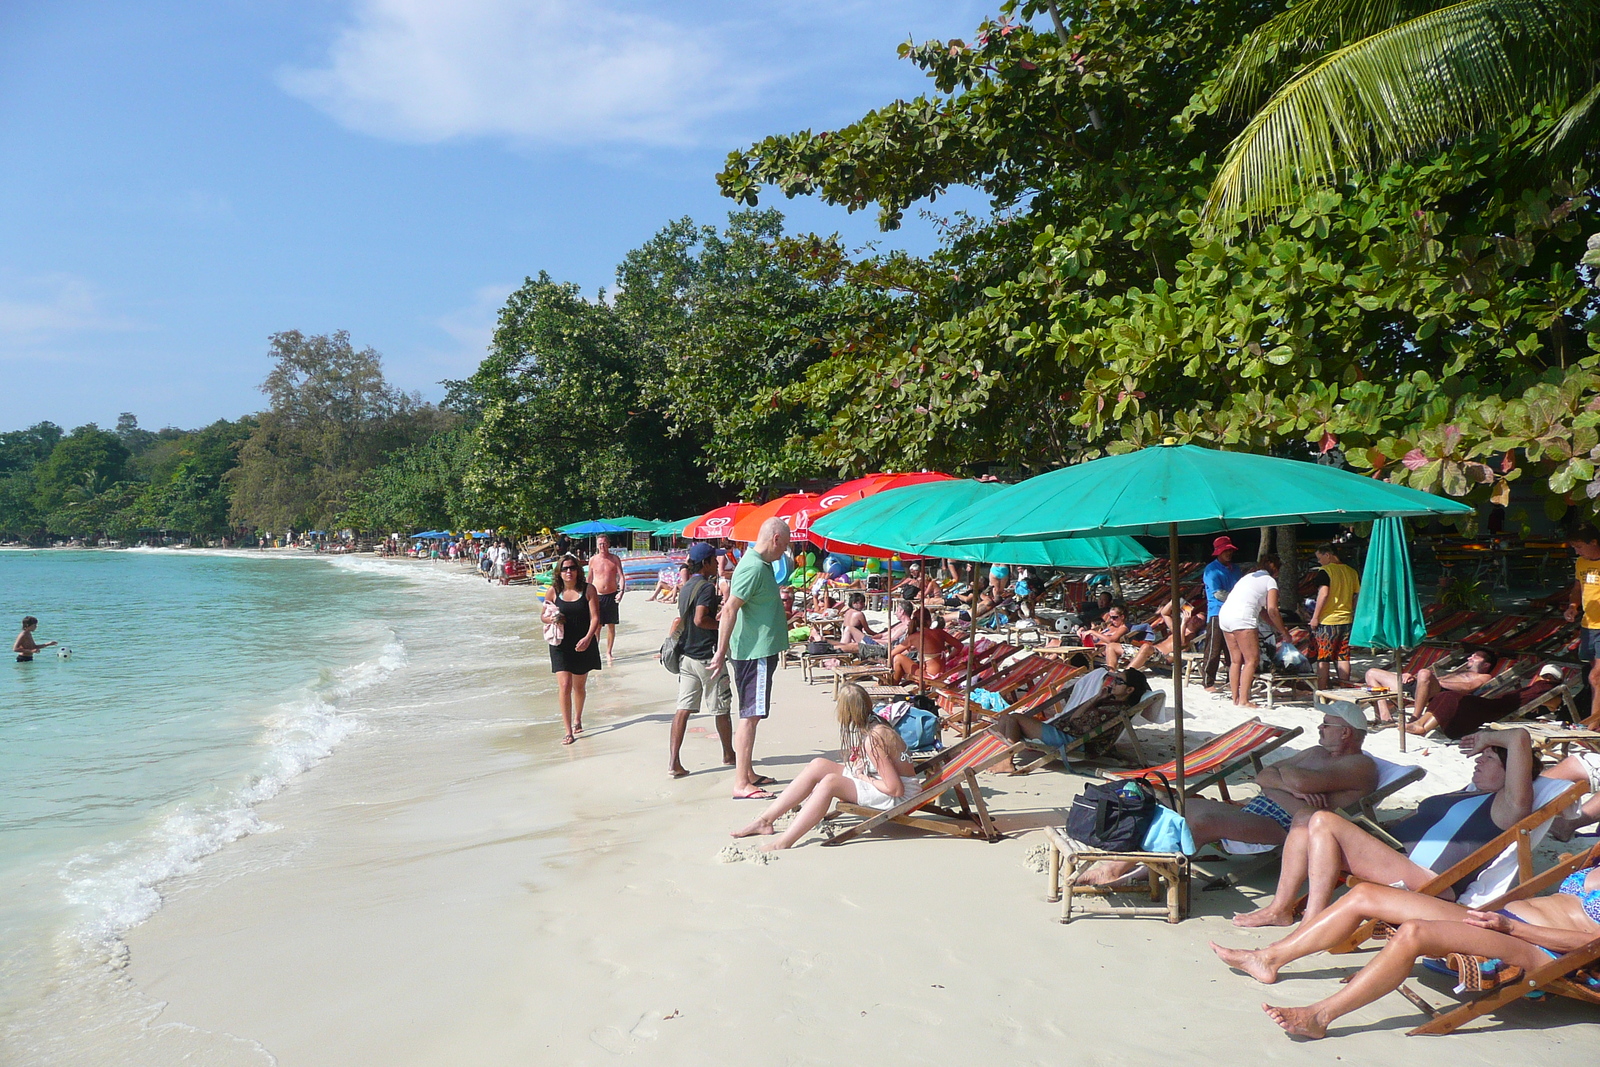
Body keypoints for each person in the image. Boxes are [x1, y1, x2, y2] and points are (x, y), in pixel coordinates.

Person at [1209, 860, 1600, 1039]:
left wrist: (1512, 926)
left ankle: (1319, 1016)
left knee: (1414, 933)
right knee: (1366, 894)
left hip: (1548, 953)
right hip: (1504, 923)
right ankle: (1268, 958)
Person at [1232, 726, 1536, 928]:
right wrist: (1377, 830)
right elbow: (1420, 823)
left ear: (1512, 773)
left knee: (1323, 820)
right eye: (1481, 756)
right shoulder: (1465, 794)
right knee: (1304, 818)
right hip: (1395, 855)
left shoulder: (1506, 807)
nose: (1478, 761)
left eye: (1489, 758)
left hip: (1428, 881)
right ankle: (1281, 909)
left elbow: (1520, 737)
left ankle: (1314, 920)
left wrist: (1488, 737)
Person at [1084, 702, 1379, 885]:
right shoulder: (1316, 752)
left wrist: (1287, 781)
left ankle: (1121, 869)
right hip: (1258, 811)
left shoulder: (1359, 765)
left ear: (1346, 733)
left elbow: (1294, 779)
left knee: (1198, 820)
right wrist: (1290, 785)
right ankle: (1131, 865)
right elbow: (1265, 775)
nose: (1320, 728)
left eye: (1327, 725)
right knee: (1178, 807)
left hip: (1287, 829)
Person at [731, 683, 918, 850]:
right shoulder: (876, 723)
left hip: (900, 797)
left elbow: (895, 789)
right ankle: (764, 821)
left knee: (830, 782)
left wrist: (863, 777)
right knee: (818, 765)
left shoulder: (874, 738)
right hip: (886, 783)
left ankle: (785, 841)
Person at [709, 518, 791, 800]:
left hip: (761, 651)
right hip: (752, 652)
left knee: (752, 715)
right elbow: (730, 608)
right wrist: (720, 653)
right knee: (750, 716)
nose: (785, 552)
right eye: (786, 545)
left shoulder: (762, 564)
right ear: (776, 539)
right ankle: (741, 783)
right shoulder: (753, 566)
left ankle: (749, 772)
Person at [667, 544, 735, 778]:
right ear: (705, 563)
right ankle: (728, 754)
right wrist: (722, 625)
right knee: (721, 709)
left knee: (682, 710)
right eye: (714, 560)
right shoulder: (706, 587)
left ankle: (674, 762)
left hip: (686, 657)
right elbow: (699, 620)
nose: (717, 564)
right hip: (707, 657)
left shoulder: (686, 586)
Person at [990, 668, 1151, 764]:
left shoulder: (1116, 711)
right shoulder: (1108, 700)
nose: (1113, 683)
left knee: (1014, 719)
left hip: (1072, 742)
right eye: (1114, 679)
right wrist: (1096, 698)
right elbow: (1076, 716)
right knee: (1005, 718)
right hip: (1065, 733)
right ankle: (1004, 756)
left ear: (1130, 690)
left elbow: (1075, 721)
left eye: (1119, 681)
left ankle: (1006, 762)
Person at [1407, 663, 1564, 738]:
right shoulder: (1530, 689)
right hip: (1492, 704)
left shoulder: (1547, 690)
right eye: (1544, 676)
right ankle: (1420, 723)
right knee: (1444, 695)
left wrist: (1541, 700)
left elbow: (1554, 704)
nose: (1545, 680)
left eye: (1550, 679)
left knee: (1451, 697)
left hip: (1495, 709)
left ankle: (1423, 727)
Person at [1218, 556, 1293, 709]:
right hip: (1242, 617)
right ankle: (1244, 701)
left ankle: (1235, 698)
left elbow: (1264, 612)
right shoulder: (1270, 581)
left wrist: (1276, 627)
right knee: (1252, 660)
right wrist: (1284, 632)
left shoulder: (1248, 577)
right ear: (1276, 570)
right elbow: (1272, 610)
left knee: (1235, 660)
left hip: (1225, 615)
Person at [545, 554, 601, 745]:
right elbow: (543, 616)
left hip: (582, 643)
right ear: (559, 573)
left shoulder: (588, 590)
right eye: (564, 569)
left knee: (579, 686)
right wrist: (552, 618)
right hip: (560, 644)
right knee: (564, 685)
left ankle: (578, 718)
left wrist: (588, 638)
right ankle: (568, 730)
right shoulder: (553, 592)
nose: (568, 572)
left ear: (578, 570)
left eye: (572, 568)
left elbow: (595, 618)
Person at [1363, 648, 1495, 726]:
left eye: (1475, 657)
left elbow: (1467, 687)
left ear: (1486, 665)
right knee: (1372, 673)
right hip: (1420, 685)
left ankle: (1415, 717)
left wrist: (1436, 681)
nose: (1470, 658)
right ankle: (1385, 716)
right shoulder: (1461, 671)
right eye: (1471, 656)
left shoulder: (1484, 677)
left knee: (1424, 672)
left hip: (1438, 693)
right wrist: (1411, 676)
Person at [1308, 543, 1361, 690]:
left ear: (1328, 555)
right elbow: (1357, 594)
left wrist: (1315, 617)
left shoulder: (1325, 571)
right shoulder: (1351, 571)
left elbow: (1323, 594)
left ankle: (1322, 690)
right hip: (1346, 619)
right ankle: (1344, 688)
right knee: (1343, 656)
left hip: (1328, 620)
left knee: (1323, 658)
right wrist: (1350, 607)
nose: (1319, 561)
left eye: (1320, 558)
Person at [1565, 524, 1600, 726]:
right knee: (1593, 674)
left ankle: (1592, 727)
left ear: (1593, 542)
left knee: (1596, 677)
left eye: (1579, 546)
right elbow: (1578, 588)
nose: (1577, 551)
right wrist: (1573, 605)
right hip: (1589, 625)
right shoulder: (1581, 562)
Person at [1202, 536, 1241, 690]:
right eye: (1226, 550)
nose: (1229, 553)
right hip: (1217, 612)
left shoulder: (1236, 569)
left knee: (1233, 649)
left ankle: (1232, 679)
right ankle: (1207, 681)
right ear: (1219, 552)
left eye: (1230, 550)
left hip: (1234, 612)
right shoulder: (1211, 569)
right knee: (1213, 648)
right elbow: (1217, 593)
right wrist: (1238, 598)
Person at [889, 607, 962, 685]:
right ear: (929, 621)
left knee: (898, 658)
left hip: (929, 677)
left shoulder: (915, 637)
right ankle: (893, 684)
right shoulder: (940, 632)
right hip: (942, 674)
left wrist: (888, 667)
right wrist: (949, 657)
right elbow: (960, 646)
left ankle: (893, 686)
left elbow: (892, 653)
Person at [587, 534, 624, 664]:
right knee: (596, 626)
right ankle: (594, 652)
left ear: (608, 544)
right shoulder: (593, 560)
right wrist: (585, 596)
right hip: (597, 596)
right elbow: (589, 579)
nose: (602, 546)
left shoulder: (614, 559)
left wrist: (621, 592)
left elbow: (621, 576)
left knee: (611, 626)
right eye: (600, 544)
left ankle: (608, 652)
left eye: (604, 543)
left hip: (611, 595)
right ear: (597, 546)